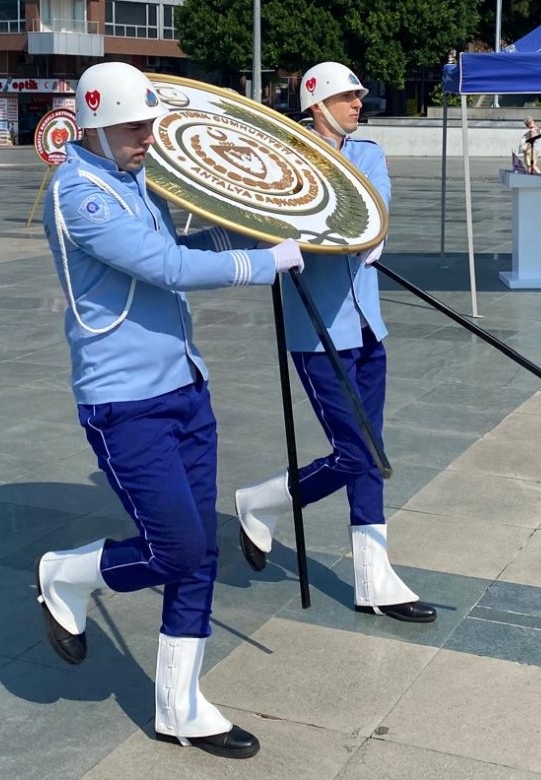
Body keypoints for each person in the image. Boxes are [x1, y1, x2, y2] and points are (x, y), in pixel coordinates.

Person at [34, 62, 304, 760]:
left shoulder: (132, 182)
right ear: (92, 125)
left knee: (200, 555)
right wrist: (264, 263)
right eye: (131, 127)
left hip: (184, 386)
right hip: (123, 402)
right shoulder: (77, 195)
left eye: (149, 125)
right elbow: (167, 270)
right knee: (177, 549)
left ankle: (178, 707)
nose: (146, 139)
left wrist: (245, 232)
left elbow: (180, 248)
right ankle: (68, 574)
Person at [234, 62, 436, 625]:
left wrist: (375, 235)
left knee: (370, 452)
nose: (358, 104)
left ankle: (374, 578)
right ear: (317, 103)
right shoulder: (280, 162)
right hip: (316, 328)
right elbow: (281, 224)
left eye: (358, 97)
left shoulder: (367, 152)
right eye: (348, 97)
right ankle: (263, 501)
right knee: (359, 452)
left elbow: (373, 208)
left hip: (367, 325)